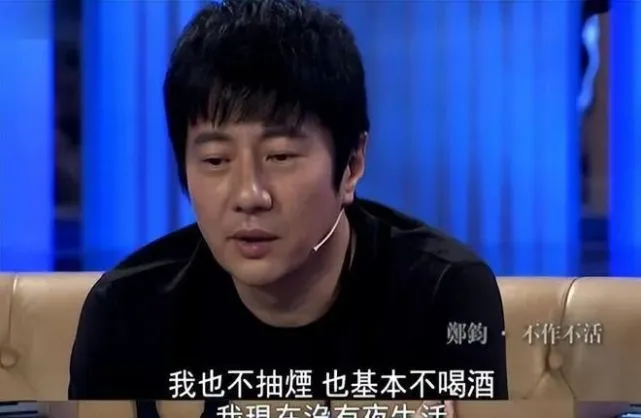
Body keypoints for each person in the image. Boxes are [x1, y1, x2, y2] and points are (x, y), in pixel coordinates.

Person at [68, 0, 508, 409]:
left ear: (352, 164)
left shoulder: (442, 294)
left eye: (279, 156)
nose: (249, 196)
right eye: (216, 160)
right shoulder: (127, 310)